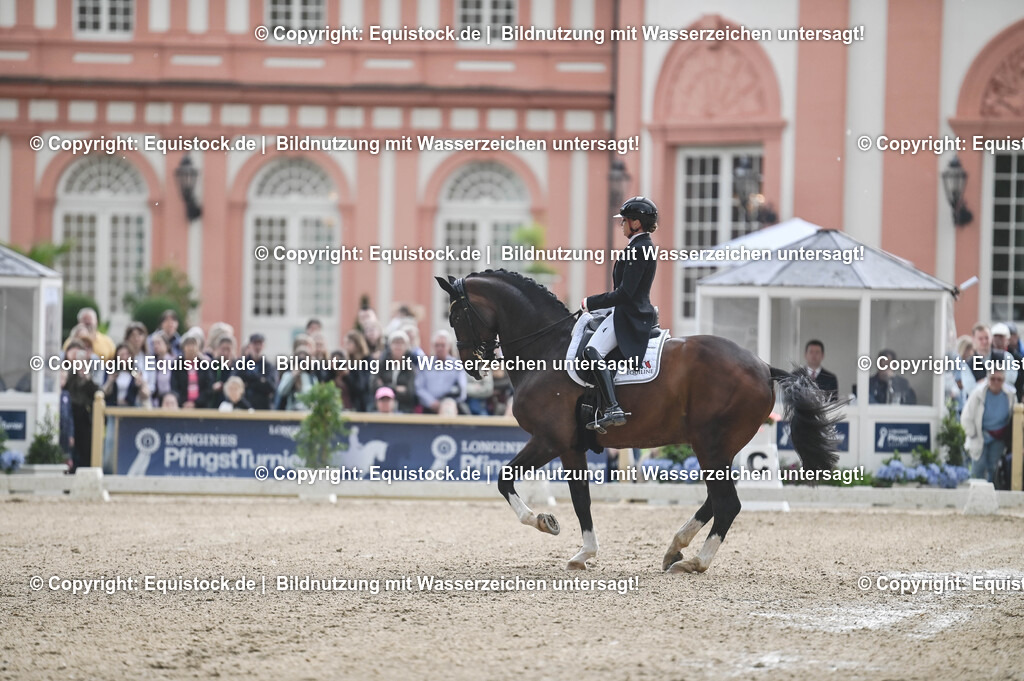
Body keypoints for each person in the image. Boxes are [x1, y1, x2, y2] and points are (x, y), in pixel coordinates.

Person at [578, 196, 659, 430]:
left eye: (624, 220)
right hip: (626, 310)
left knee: (591, 350)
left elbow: (625, 293)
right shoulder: (637, 246)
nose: (621, 225)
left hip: (630, 314)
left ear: (636, 223)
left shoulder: (640, 249)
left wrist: (590, 302)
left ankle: (613, 407)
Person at [962, 369, 1015, 483]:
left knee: (994, 468)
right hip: (980, 435)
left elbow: (1013, 416)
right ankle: (975, 497)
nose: (996, 382)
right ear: (987, 379)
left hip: (999, 437)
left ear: (1004, 381)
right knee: (978, 468)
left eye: (999, 379)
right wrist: (972, 433)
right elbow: (967, 416)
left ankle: (992, 496)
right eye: (992, 379)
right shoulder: (977, 393)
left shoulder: (1010, 395)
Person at [415, 331, 467, 413]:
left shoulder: (457, 365)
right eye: (437, 345)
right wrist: (431, 402)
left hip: (451, 407)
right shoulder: (424, 364)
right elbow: (419, 388)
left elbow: (462, 390)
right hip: (429, 407)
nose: (439, 348)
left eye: (442, 345)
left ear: (449, 346)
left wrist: (447, 403)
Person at [171, 336, 213, 408]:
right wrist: (184, 402)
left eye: (193, 345)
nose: (191, 348)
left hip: (201, 406)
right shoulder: (177, 364)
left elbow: (208, 387)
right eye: (188, 345)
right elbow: (174, 386)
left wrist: (196, 402)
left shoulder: (205, 364)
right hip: (182, 406)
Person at [239, 333, 278, 409]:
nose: (257, 347)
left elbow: (271, 387)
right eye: (255, 344)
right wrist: (261, 380)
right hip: (243, 407)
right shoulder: (241, 364)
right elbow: (236, 382)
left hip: (262, 408)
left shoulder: (269, 366)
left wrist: (249, 380)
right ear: (249, 346)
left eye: (260, 344)